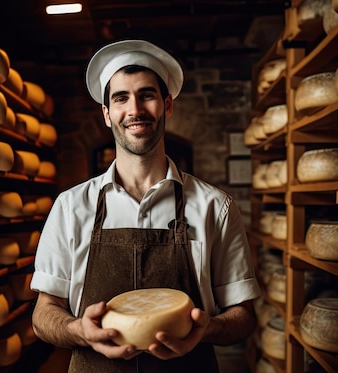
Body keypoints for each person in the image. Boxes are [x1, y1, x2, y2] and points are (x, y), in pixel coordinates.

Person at [30, 39, 260, 372]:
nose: (134, 110)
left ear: (167, 105)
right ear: (107, 115)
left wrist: (207, 327)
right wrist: (78, 330)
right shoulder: (70, 207)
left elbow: (243, 316)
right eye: (121, 98)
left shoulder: (215, 207)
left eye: (147, 95)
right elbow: (43, 313)